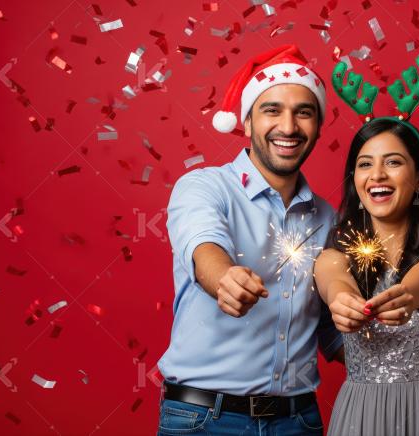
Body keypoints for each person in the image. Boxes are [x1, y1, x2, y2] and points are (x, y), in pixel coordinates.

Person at [157, 45, 343, 436]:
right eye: (272, 110)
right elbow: (202, 245)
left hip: (298, 422)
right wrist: (224, 277)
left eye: (303, 112)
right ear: (246, 122)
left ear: (319, 126)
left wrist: (413, 347)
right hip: (203, 420)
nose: (288, 127)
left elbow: (330, 330)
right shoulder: (203, 187)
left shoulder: (328, 220)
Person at [314, 54, 419, 435]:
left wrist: (411, 290)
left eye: (393, 162)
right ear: (355, 179)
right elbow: (335, 283)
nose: (377, 175)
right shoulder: (332, 257)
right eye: (364, 164)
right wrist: (342, 302)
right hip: (364, 417)